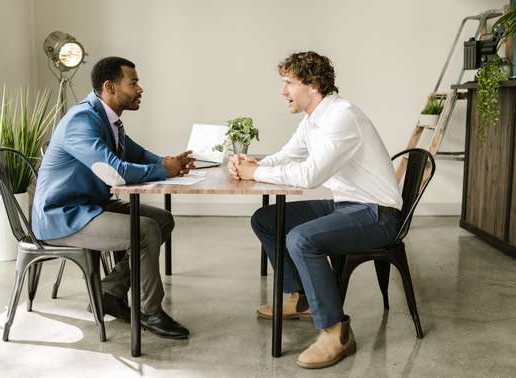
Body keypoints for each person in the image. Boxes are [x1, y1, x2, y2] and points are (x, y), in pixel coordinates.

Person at [229, 51, 402, 368]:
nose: (283, 92)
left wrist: (254, 174)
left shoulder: (341, 115)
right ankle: (302, 298)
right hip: (345, 205)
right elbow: (289, 154)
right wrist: (256, 164)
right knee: (266, 219)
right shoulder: (314, 118)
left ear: (313, 84)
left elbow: (309, 175)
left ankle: (336, 331)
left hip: (376, 214)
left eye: (288, 83)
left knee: (301, 239)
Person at [32, 56, 192, 340]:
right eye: (134, 83)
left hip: (91, 206)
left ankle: (110, 291)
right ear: (110, 86)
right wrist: (163, 171)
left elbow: (137, 154)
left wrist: (168, 162)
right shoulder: (82, 120)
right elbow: (116, 172)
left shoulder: (108, 119)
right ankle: (149, 311)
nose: (140, 89)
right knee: (144, 230)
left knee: (162, 220)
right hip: (64, 214)